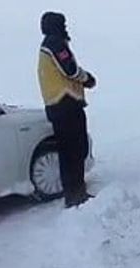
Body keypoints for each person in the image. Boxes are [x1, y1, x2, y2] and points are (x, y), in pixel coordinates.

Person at [36, 11, 96, 208]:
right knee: (75, 149)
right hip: (66, 105)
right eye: (63, 24)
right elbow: (70, 69)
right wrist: (87, 79)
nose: (65, 27)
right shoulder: (55, 44)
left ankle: (73, 193)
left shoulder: (46, 45)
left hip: (56, 106)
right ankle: (76, 193)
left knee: (67, 150)